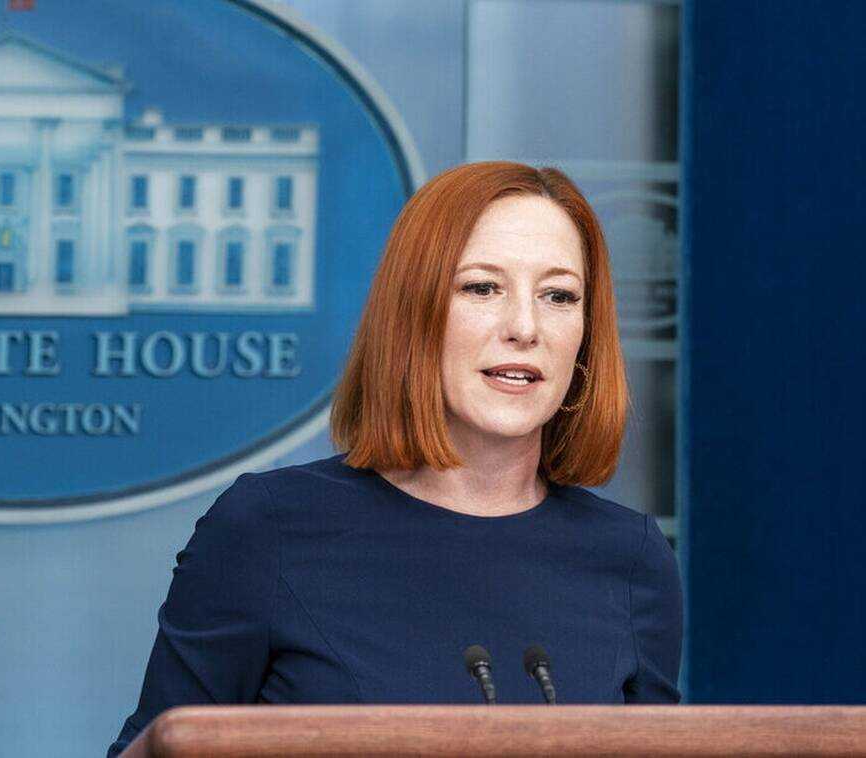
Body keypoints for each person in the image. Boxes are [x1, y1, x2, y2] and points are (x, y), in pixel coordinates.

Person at [107, 161, 683, 756]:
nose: (524, 327)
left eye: (558, 296)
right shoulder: (268, 528)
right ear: (413, 313)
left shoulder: (632, 558)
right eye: (481, 288)